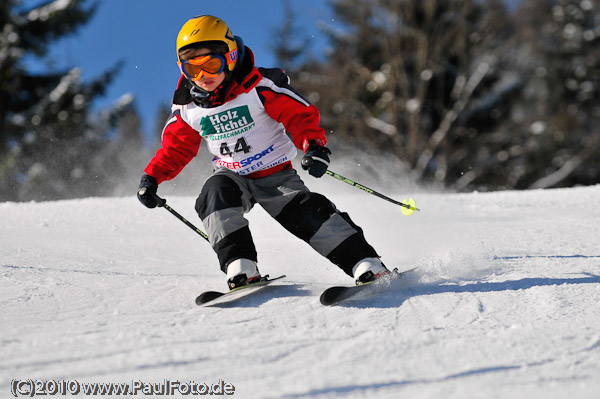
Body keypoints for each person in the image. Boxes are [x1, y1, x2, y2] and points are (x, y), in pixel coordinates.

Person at [137, 15, 389, 289]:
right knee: (214, 195)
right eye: (192, 70)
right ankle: (240, 266)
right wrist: (152, 178)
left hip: (276, 175)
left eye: (211, 64)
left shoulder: (259, 87)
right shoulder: (187, 108)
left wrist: (314, 146)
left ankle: (364, 263)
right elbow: (175, 148)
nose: (203, 77)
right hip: (231, 175)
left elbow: (299, 115)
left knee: (306, 213)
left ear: (231, 56)